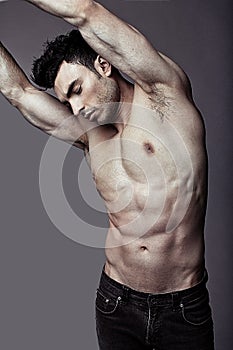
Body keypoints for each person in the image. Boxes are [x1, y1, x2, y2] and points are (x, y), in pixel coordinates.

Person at [0, 1, 214, 349]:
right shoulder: (89, 134)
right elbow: (18, 93)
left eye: (76, 90)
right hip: (115, 304)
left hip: (183, 309)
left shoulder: (165, 94)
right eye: (67, 102)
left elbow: (84, 12)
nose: (76, 109)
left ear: (104, 64)